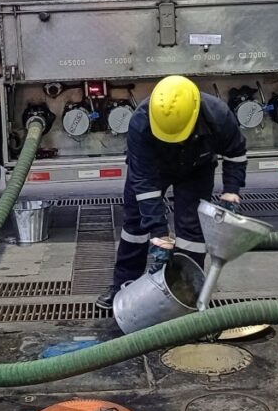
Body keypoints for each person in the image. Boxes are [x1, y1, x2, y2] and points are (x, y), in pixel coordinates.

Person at [95, 75, 247, 309]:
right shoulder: (140, 122)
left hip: (197, 168)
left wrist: (231, 192)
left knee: (192, 231)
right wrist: (159, 233)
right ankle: (123, 285)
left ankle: (187, 291)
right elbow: (144, 183)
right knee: (136, 224)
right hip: (153, 169)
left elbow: (235, 153)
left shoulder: (218, 115)